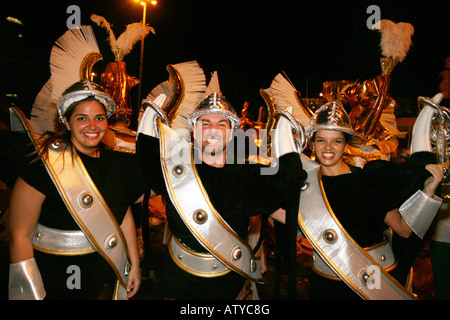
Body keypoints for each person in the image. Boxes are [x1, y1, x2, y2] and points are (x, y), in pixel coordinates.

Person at [136, 92, 306, 299]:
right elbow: (128, 191)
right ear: (195, 131)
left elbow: (289, 212)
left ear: (232, 132)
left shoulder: (248, 176)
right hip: (179, 282)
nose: (212, 130)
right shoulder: (171, 171)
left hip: (231, 284)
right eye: (205, 123)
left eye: (222, 124)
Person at [2, 80, 147, 299]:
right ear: (67, 123)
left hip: (105, 268)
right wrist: (30, 291)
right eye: (82, 118)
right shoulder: (44, 164)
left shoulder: (117, 163)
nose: (92, 126)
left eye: (99, 118)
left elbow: (121, 212)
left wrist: (133, 264)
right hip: (57, 272)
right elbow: (19, 234)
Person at [304, 100, 444, 299]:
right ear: (312, 144)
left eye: (336, 140)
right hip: (324, 281)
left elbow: (403, 230)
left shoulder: (369, 180)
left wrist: (428, 193)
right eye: (320, 140)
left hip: (374, 276)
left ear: (346, 146)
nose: (328, 147)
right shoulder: (306, 187)